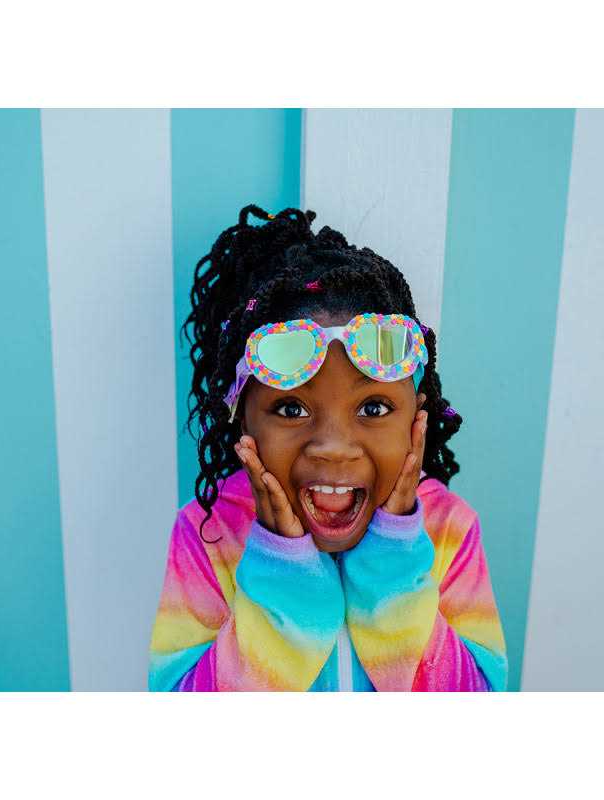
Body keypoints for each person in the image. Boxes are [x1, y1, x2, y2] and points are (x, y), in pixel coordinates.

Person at [148, 205, 508, 691]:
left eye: (374, 408)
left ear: (416, 419)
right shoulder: (209, 535)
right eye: (291, 408)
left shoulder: (449, 530)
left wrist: (393, 573)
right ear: (242, 422)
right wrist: (282, 578)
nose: (334, 447)